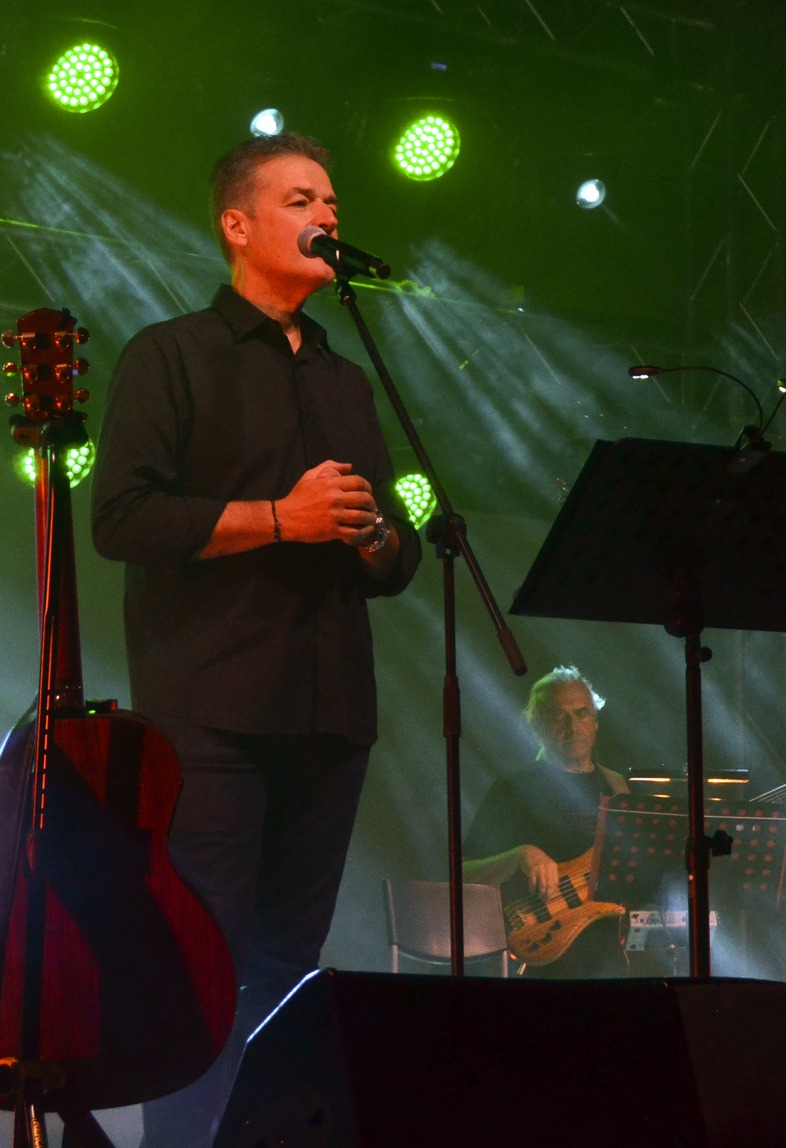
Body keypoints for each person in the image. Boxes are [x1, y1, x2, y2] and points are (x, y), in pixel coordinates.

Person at [92, 131, 422, 1147]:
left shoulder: (346, 378)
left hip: (329, 710)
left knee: (289, 972)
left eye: (331, 200)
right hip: (213, 712)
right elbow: (123, 519)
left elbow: (395, 557)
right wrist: (281, 517)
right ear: (237, 225)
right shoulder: (170, 355)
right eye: (300, 199)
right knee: (204, 964)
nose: (327, 214)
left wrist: (374, 538)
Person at [462, 666, 632, 978]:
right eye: (558, 716)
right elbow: (463, 875)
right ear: (537, 727)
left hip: (608, 961)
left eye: (582, 713)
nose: (573, 726)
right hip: (538, 963)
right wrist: (519, 856)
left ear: (595, 721)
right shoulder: (513, 790)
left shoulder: (618, 789)